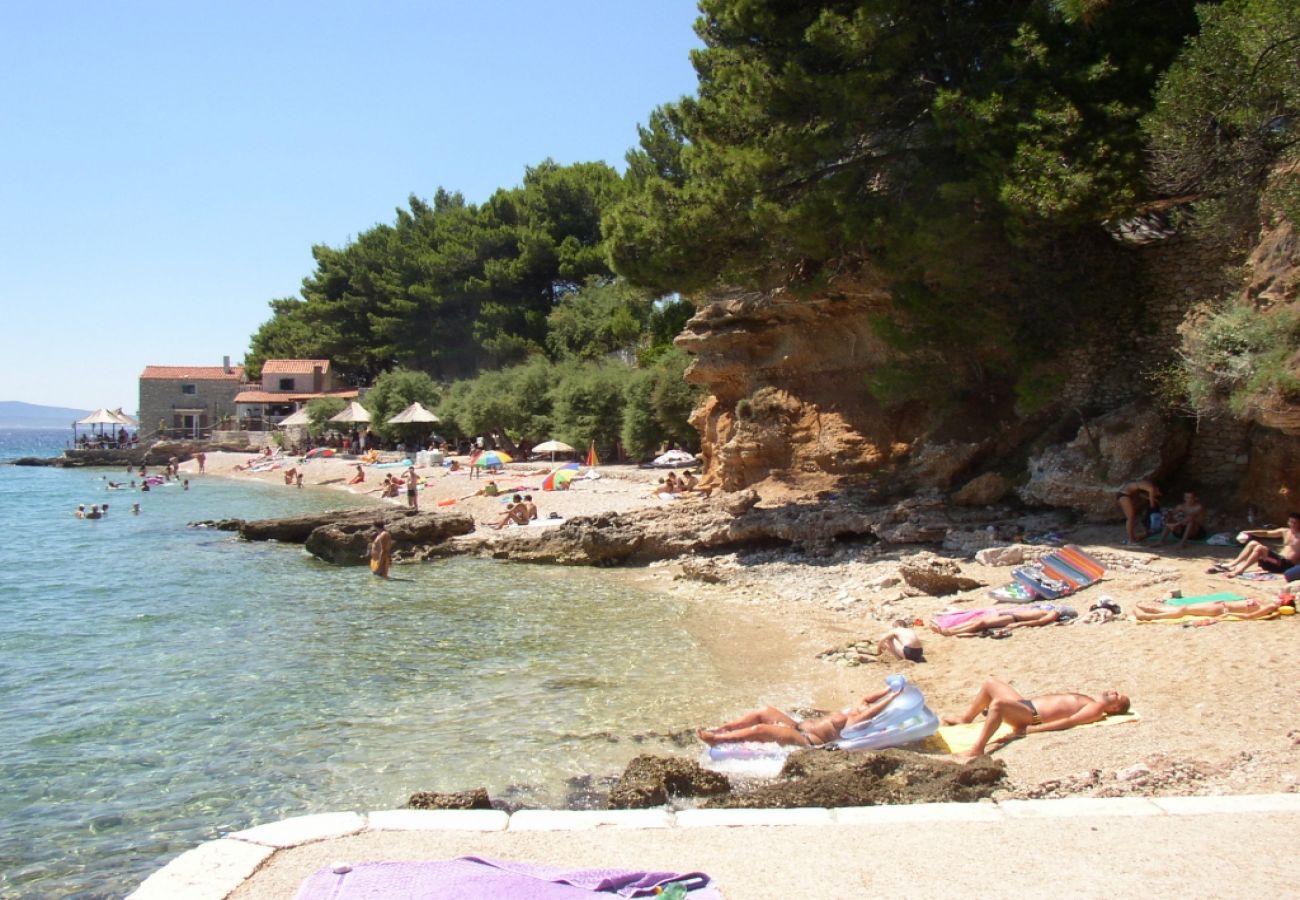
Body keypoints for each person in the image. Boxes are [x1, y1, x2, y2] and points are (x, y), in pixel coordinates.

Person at [943, 677, 1129, 761]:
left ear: (1114, 708)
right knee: (990, 683)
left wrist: (1032, 730)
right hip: (1026, 705)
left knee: (998, 703)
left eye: (1117, 696)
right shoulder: (1091, 701)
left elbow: (1070, 721)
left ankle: (977, 749)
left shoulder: (1096, 709)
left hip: (1031, 716)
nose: (1114, 691)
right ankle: (965, 718)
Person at [698, 681, 904, 748]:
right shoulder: (858, 709)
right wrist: (887, 690)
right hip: (798, 726)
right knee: (764, 711)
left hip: (807, 740)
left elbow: (872, 709)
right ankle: (723, 728)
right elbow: (866, 700)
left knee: (760, 729)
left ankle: (718, 740)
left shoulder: (861, 721)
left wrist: (892, 698)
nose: (866, 705)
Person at [1210, 512, 1300, 578]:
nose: (1291, 524)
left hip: (1286, 565)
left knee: (1260, 548)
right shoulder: (1285, 531)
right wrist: (1250, 532)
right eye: (1290, 522)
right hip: (1277, 561)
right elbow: (1266, 533)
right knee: (1253, 543)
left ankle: (1239, 571)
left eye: (1294, 522)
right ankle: (1232, 564)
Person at [930, 603, 1076, 637]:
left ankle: (949, 631)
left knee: (981, 623)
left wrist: (1019, 624)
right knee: (979, 620)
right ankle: (950, 629)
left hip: (1012, 617)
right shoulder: (1048, 610)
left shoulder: (1052, 613)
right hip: (1010, 615)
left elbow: (1039, 622)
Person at [1135, 595, 1289, 621]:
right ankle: (1155, 610)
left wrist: (1227, 616)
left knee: (1184, 611)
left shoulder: (1270, 606)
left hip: (1221, 610)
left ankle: (1151, 616)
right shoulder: (1265, 602)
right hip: (1221, 605)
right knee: (1186, 607)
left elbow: (1250, 616)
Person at [1117, 480, 1160, 544]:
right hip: (1125, 495)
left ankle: (1132, 538)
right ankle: (1131, 540)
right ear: (1158, 489)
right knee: (1130, 518)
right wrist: (1154, 501)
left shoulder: (1148, 484)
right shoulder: (1152, 488)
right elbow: (1152, 505)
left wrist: (1150, 498)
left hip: (1123, 494)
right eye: (1158, 494)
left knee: (1131, 518)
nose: (1156, 495)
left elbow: (1140, 494)